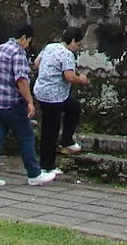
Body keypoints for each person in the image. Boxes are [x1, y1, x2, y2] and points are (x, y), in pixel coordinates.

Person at [0, 22, 57, 187]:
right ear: (24, 38)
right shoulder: (18, 54)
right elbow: (21, 80)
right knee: (26, 137)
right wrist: (30, 101)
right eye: (28, 41)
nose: (28, 45)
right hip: (11, 103)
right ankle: (34, 174)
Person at [34, 26, 90, 174]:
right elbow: (69, 77)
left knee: (74, 108)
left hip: (42, 91)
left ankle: (67, 140)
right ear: (72, 41)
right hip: (54, 97)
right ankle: (47, 166)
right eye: (78, 44)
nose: (78, 48)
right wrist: (82, 79)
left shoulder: (50, 47)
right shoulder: (67, 55)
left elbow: (37, 63)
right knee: (50, 130)